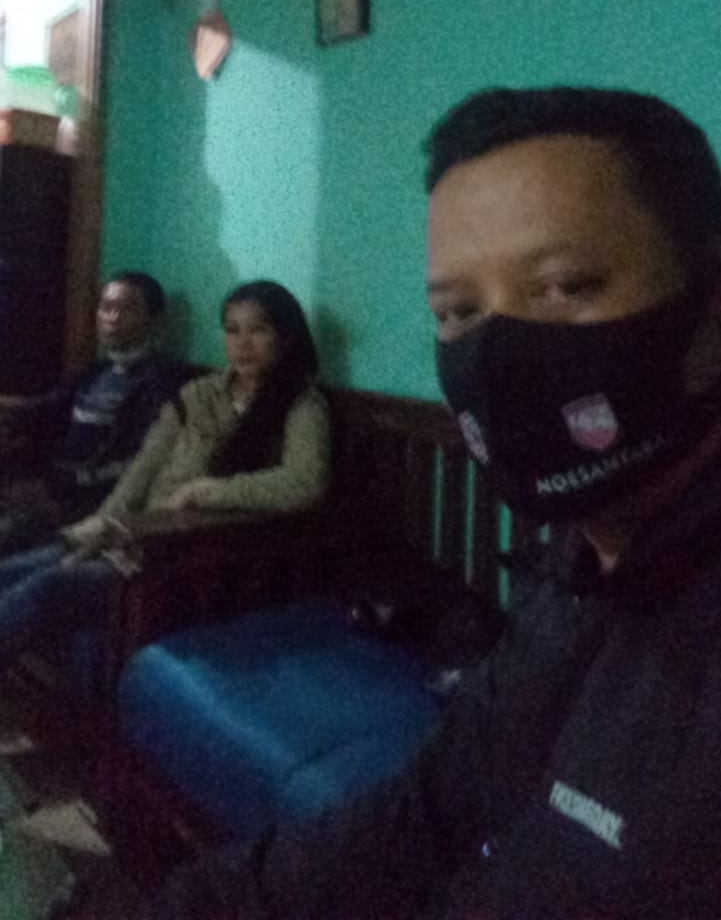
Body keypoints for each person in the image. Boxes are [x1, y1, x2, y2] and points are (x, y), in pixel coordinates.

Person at [153, 87, 721, 920]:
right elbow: (430, 807)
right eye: (455, 312)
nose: (494, 352)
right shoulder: (570, 570)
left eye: (564, 285)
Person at [0, 279, 329, 664]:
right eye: (232, 330)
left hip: (187, 559)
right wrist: (103, 523)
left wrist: (204, 491)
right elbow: (145, 466)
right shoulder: (198, 394)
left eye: (258, 330)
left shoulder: (301, 405)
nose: (243, 344)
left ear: (285, 337)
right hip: (132, 534)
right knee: (13, 569)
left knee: (49, 585)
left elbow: (305, 481)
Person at [0, 271, 188, 553]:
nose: (112, 317)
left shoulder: (161, 379)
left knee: (9, 530)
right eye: (106, 307)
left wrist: (56, 487)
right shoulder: (97, 371)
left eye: (127, 309)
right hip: (54, 480)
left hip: (90, 498)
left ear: (153, 319)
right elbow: (45, 407)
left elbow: (138, 461)